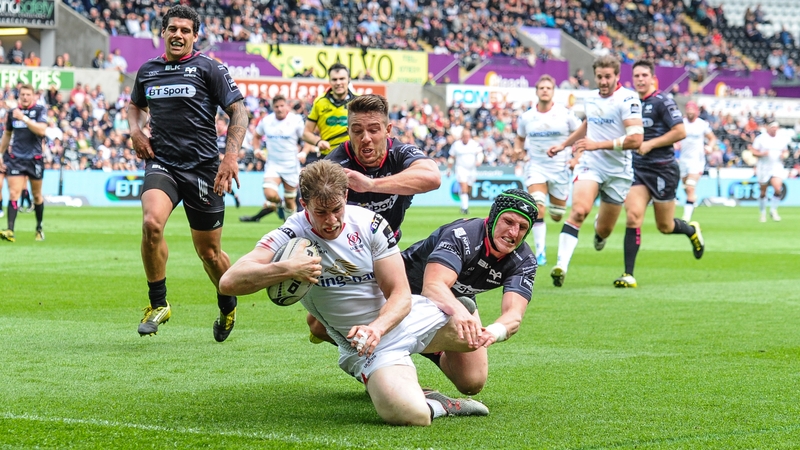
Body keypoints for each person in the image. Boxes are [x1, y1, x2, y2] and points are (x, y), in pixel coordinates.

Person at [218, 160, 490, 426]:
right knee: (411, 415)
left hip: (397, 321)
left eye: (337, 209)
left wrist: (378, 328)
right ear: (304, 205)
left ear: (346, 196)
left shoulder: (370, 225)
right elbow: (229, 282)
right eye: (321, 213)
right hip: (365, 347)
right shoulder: (290, 233)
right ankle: (437, 402)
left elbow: (400, 294)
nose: (331, 221)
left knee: (473, 375)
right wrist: (286, 268)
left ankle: (458, 309)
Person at [128, 5, 248, 342]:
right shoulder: (148, 71)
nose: (178, 35)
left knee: (209, 253)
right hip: (162, 162)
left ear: (194, 37)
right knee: (151, 223)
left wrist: (230, 156)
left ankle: (227, 303)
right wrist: (136, 130)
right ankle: (158, 303)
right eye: (173, 29)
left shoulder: (209, 68)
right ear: (163, 33)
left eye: (185, 30)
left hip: (203, 168)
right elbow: (135, 104)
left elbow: (238, 110)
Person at [307, 93, 441, 342]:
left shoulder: (400, 153)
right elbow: (310, 212)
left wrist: (371, 184)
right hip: (347, 253)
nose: (365, 138)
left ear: (388, 130)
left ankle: (404, 342)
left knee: (391, 306)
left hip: (387, 250)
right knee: (316, 326)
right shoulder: (336, 164)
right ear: (349, 131)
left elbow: (433, 177)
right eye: (357, 131)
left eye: (373, 130)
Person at [403, 189, 538, 395]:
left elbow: (514, 315)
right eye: (508, 222)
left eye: (522, 227)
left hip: (453, 301)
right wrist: (460, 313)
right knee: (340, 331)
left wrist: (493, 332)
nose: (513, 233)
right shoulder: (462, 234)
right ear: (493, 217)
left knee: (472, 380)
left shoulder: (524, 261)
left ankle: (435, 347)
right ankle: (378, 369)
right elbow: (434, 287)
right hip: (399, 291)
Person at [546, 55, 644, 287]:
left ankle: (600, 231)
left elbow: (636, 139)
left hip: (618, 171)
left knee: (604, 231)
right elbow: (588, 125)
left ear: (617, 76)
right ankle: (561, 264)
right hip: (591, 163)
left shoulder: (628, 99)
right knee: (579, 211)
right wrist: (564, 145)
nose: (603, 81)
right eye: (599, 76)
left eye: (607, 77)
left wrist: (597, 144)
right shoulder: (590, 99)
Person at [615, 60, 704, 288]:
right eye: (637, 76)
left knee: (665, 226)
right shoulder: (630, 103)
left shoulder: (663, 101)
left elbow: (680, 131)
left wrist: (651, 144)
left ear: (653, 78)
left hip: (663, 168)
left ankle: (691, 230)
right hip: (639, 169)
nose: (640, 79)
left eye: (645, 75)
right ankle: (628, 274)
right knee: (633, 216)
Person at [514, 74, 582, 266]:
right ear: (537, 92)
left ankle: (556, 211)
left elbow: (581, 135)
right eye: (541, 87)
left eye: (548, 88)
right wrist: (517, 149)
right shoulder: (526, 117)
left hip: (560, 168)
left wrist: (576, 158)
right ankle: (540, 252)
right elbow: (519, 138)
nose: (545, 90)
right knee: (537, 206)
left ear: (553, 92)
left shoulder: (565, 114)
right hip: (536, 166)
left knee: (557, 214)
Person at [240, 94, 305, 223]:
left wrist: (304, 152)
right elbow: (256, 136)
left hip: (291, 165)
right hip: (273, 165)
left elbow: (306, 138)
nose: (279, 109)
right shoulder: (267, 121)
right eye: (276, 106)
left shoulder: (296, 120)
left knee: (290, 201)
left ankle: (290, 228)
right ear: (272, 107)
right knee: (269, 194)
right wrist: (257, 149)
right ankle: (279, 204)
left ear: (286, 106)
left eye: (282, 106)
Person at [0, 84, 48, 242]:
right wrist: (0, 153)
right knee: (14, 193)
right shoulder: (12, 113)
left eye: (28, 94)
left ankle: (39, 227)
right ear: (19, 96)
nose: (25, 97)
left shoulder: (40, 110)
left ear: (34, 96)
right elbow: (7, 134)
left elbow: (41, 130)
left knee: (36, 195)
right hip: (17, 159)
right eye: (22, 95)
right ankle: (10, 230)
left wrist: (24, 118)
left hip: (35, 159)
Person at [301, 63, 356, 166]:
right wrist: (318, 142)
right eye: (334, 79)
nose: (338, 82)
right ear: (329, 81)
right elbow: (306, 133)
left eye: (342, 79)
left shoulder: (359, 101)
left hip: (354, 157)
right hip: (329, 157)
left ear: (349, 79)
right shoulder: (319, 102)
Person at [678, 101, 716, 222]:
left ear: (697, 111)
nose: (690, 112)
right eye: (688, 109)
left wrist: (710, 146)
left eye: (692, 109)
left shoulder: (702, 124)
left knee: (690, 186)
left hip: (697, 160)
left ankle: (686, 217)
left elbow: (712, 138)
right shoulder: (681, 123)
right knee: (686, 188)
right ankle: (691, 201)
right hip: (684, 160)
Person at [750, 121, 790, 222]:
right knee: (763, 191)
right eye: (773, 127)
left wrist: (784, 155)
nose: (775, 129)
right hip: (763, 167)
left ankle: (773, 210)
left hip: (776, 166)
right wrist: (762, 154)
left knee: (778, 189)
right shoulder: (761, 139)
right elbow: (753, 151)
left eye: (776, 127)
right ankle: (762, 213)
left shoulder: (781, 138)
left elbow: (785, 151)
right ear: (768, 128)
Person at [447, 129, 484, 215]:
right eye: (465, 136)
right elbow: (451, 157)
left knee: (468, 189)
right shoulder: (456, 145)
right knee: (463, 187)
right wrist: (449, 169)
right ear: (462, 136)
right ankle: (465, 208)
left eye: (468, 136)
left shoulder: (474, 144)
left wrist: (479, 160)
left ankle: (464, 204)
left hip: (472, 170)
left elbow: (480, 153)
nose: (466, 138)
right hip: (461, 168)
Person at [214, 117, 241, 209]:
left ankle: (220, 205)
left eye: (221, 124)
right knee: (219, 185)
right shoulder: (213, 136)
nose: (218, 126)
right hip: (213, 164)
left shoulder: (227, 137)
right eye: (217, 124)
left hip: (224, 165)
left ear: (225, 125)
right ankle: (233, 197)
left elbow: (233, 150)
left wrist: (223, 157)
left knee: (223, 185)